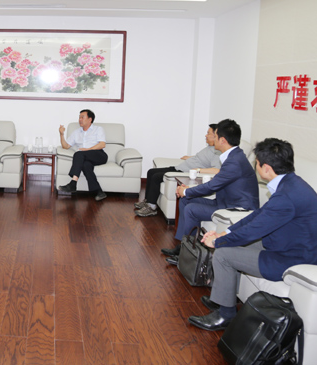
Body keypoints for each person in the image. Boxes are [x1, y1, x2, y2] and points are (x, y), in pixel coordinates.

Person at [189, 138, 317, 331]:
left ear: (266, 168)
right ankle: (224, 298)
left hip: (291, 258)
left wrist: (219, 241)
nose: (255, 166)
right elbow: (258, 215)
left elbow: (254, 230)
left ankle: (225, 316)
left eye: (256, 163)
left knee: (223, 254)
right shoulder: (291, 184)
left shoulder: (287, 196)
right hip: (286, 245)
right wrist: (226, 232)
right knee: (229, 243)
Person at [161, 119, 259, 265]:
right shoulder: (233, 156)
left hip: (236, 209)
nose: (213, 138)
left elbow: (213, 186)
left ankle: (189, 254)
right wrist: (188, 191)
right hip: (224, 202)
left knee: (191, 208)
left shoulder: (234, 161)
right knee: (185, 200)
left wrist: (187, 191)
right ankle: (184, 246)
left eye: (216, 135)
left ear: (222, 140)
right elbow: (217, 183)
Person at [134, 124, 221, 217]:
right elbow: (201, 158)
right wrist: (190, 157)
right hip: (180, 168)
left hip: (183, 173)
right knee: (151, 172)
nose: (206, 135)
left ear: (215, 136)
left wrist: (199, 170)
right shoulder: (210, 147)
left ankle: (151, 207)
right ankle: (147, 201)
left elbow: (217, 170)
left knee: (156, 177)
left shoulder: (217, 152)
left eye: (208, 133)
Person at [57, 109, 109, 201]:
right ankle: (99, 192)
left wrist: (88, 149)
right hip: (85, 157)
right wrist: (61, 134)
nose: (80, 119)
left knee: (79, 154)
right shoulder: (76, 132)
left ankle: (73, 183)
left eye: (82, 117)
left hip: (99, 155)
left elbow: (102, 144)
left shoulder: (98, 129)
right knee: (86, 165)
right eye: (79, 117)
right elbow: (66, 146)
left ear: (90, 119)